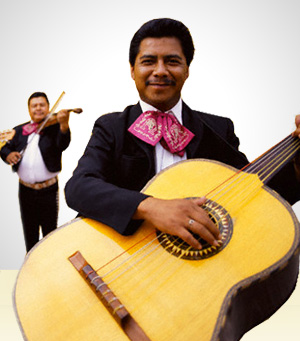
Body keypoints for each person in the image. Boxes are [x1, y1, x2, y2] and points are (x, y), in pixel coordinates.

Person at [65, 18, 300, 249]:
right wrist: (151, 207)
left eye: (172, 61)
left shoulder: (219, 130)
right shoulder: (111, 127)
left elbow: (256, 197)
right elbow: (79, 187)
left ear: (187, 70)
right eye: (148, 61)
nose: (160, 71)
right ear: (132, 70)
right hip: (122, 263)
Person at [0, 92, 71, 252]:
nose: (38, 108)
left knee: (49, 234)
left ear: (48, 107)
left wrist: (64, 125)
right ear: (29, 109)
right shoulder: (19, 130)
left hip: (49, 191)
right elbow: (4, 147)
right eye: (34, 105)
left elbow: (63, 144)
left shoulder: (54, 128)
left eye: (42, 105)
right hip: (25, 191)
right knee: (29, 234)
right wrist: (8, 155)